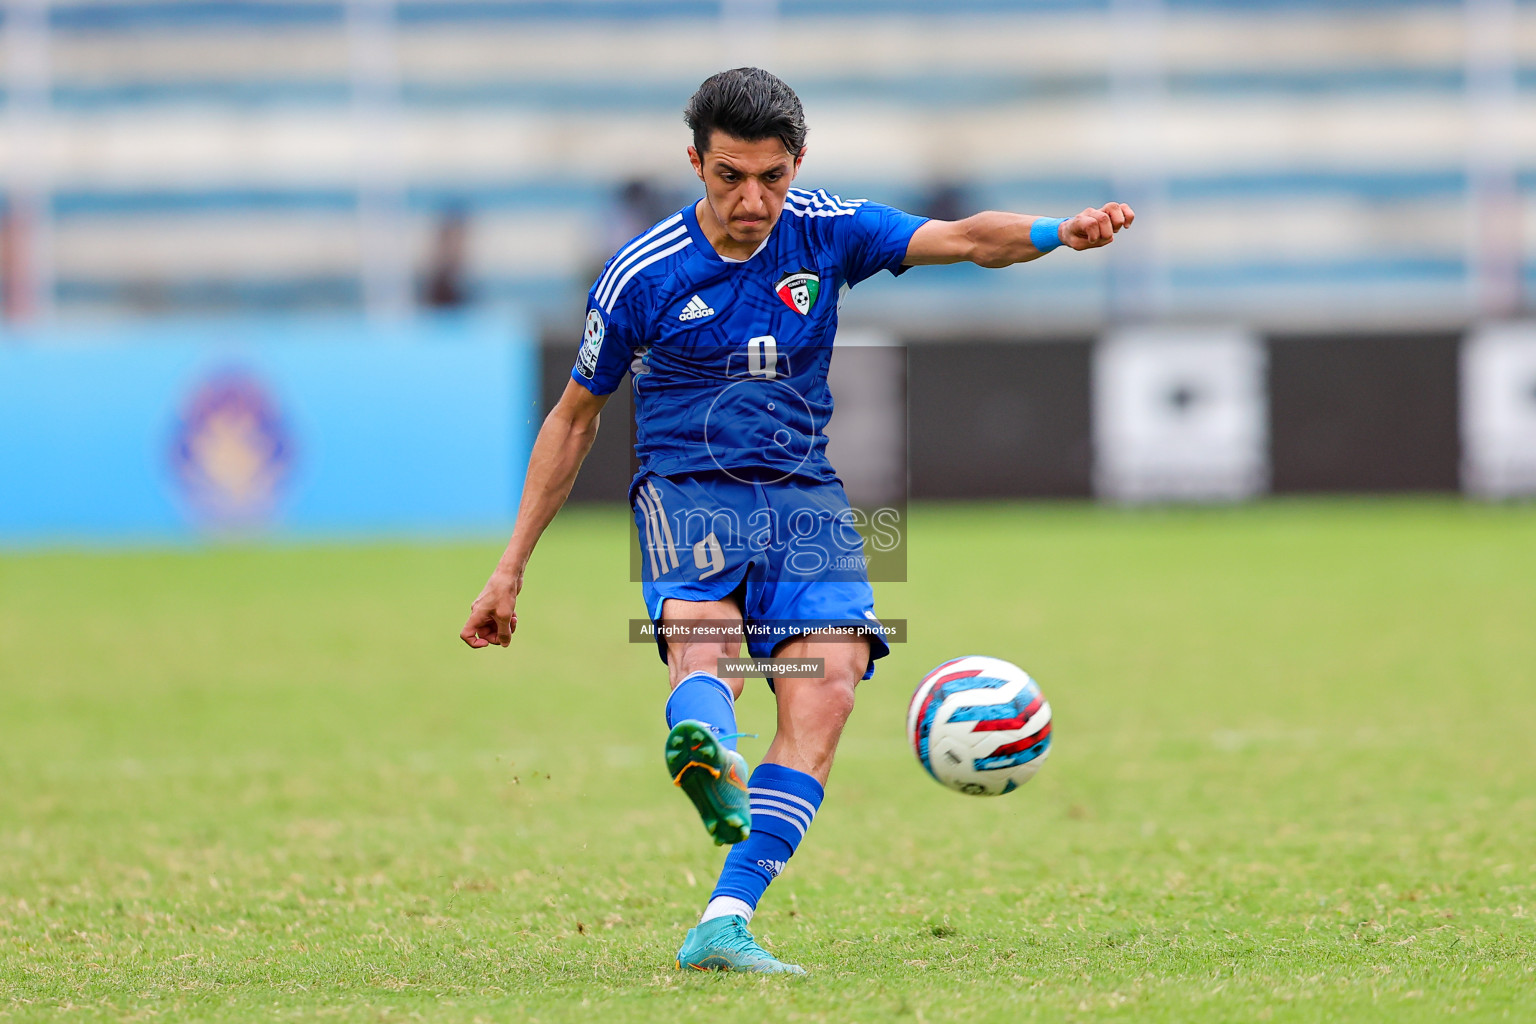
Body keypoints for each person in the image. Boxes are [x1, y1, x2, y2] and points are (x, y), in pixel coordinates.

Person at [460, 67, 1132, 974]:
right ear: (694, 162)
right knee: (714, 651)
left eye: (771, 176)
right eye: (730, 176)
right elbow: (573, 418)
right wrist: (510, 568)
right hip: (687, 489)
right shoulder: (642, 275)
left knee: (831, 684)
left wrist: (1059, 232)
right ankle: (706, 744)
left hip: (804, 497)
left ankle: (723, 920)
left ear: (798, 162)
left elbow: (971, 238)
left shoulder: (826, 228)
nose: (753, 199)